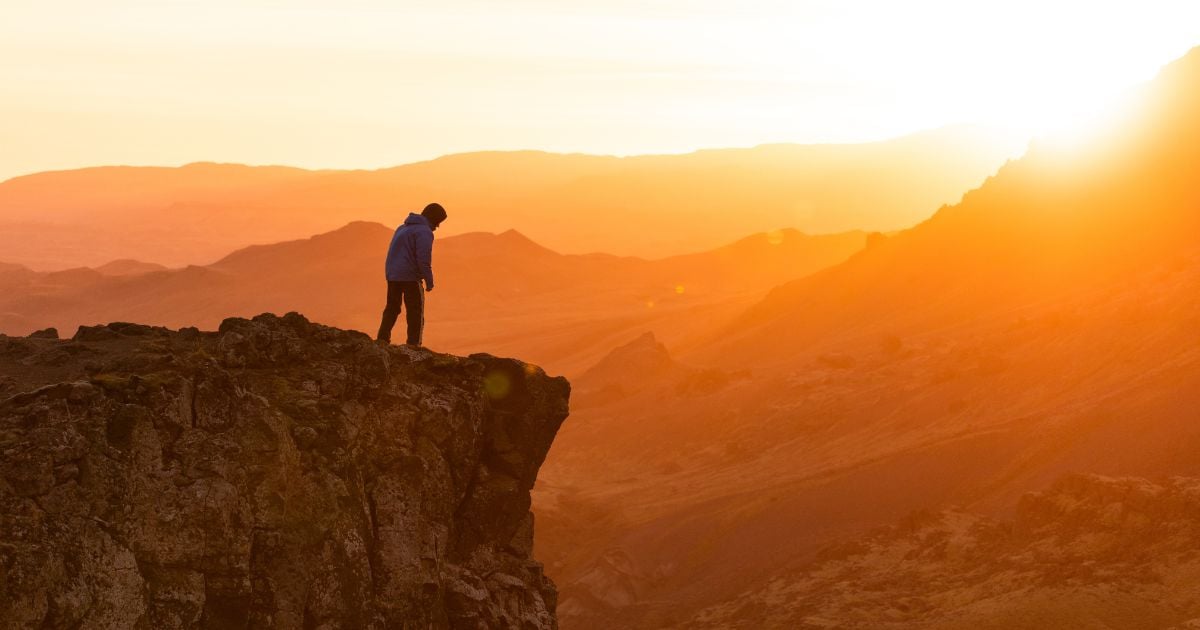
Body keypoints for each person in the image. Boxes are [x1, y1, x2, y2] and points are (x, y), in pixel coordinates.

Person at [377, 203, 447, 346]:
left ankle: (382, 340)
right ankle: (414, 345)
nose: (438, 226)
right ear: (433, 218)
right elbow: (423, 259)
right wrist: (429, 281)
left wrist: (391, 273)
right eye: (438, 222)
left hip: (393, 275)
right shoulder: (424, 232)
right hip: (410, 277)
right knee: (415, 311)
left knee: (392, 307)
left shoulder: (402, 228)